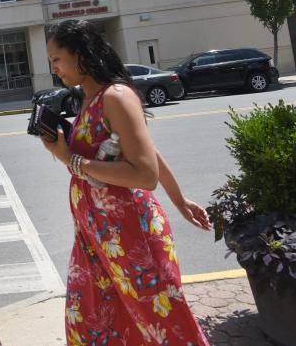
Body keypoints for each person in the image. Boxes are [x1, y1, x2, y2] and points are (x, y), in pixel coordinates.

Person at [40, 19, 211, 346]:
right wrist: (181, 200)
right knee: (90, 325)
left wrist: (70, 159)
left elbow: (145, 172)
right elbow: (148, 150)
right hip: (95, 237)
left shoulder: (116, 96)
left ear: (80, 54)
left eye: (56, 60)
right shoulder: (88, 101)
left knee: (164, 325)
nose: (54, 69)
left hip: (131, 236)